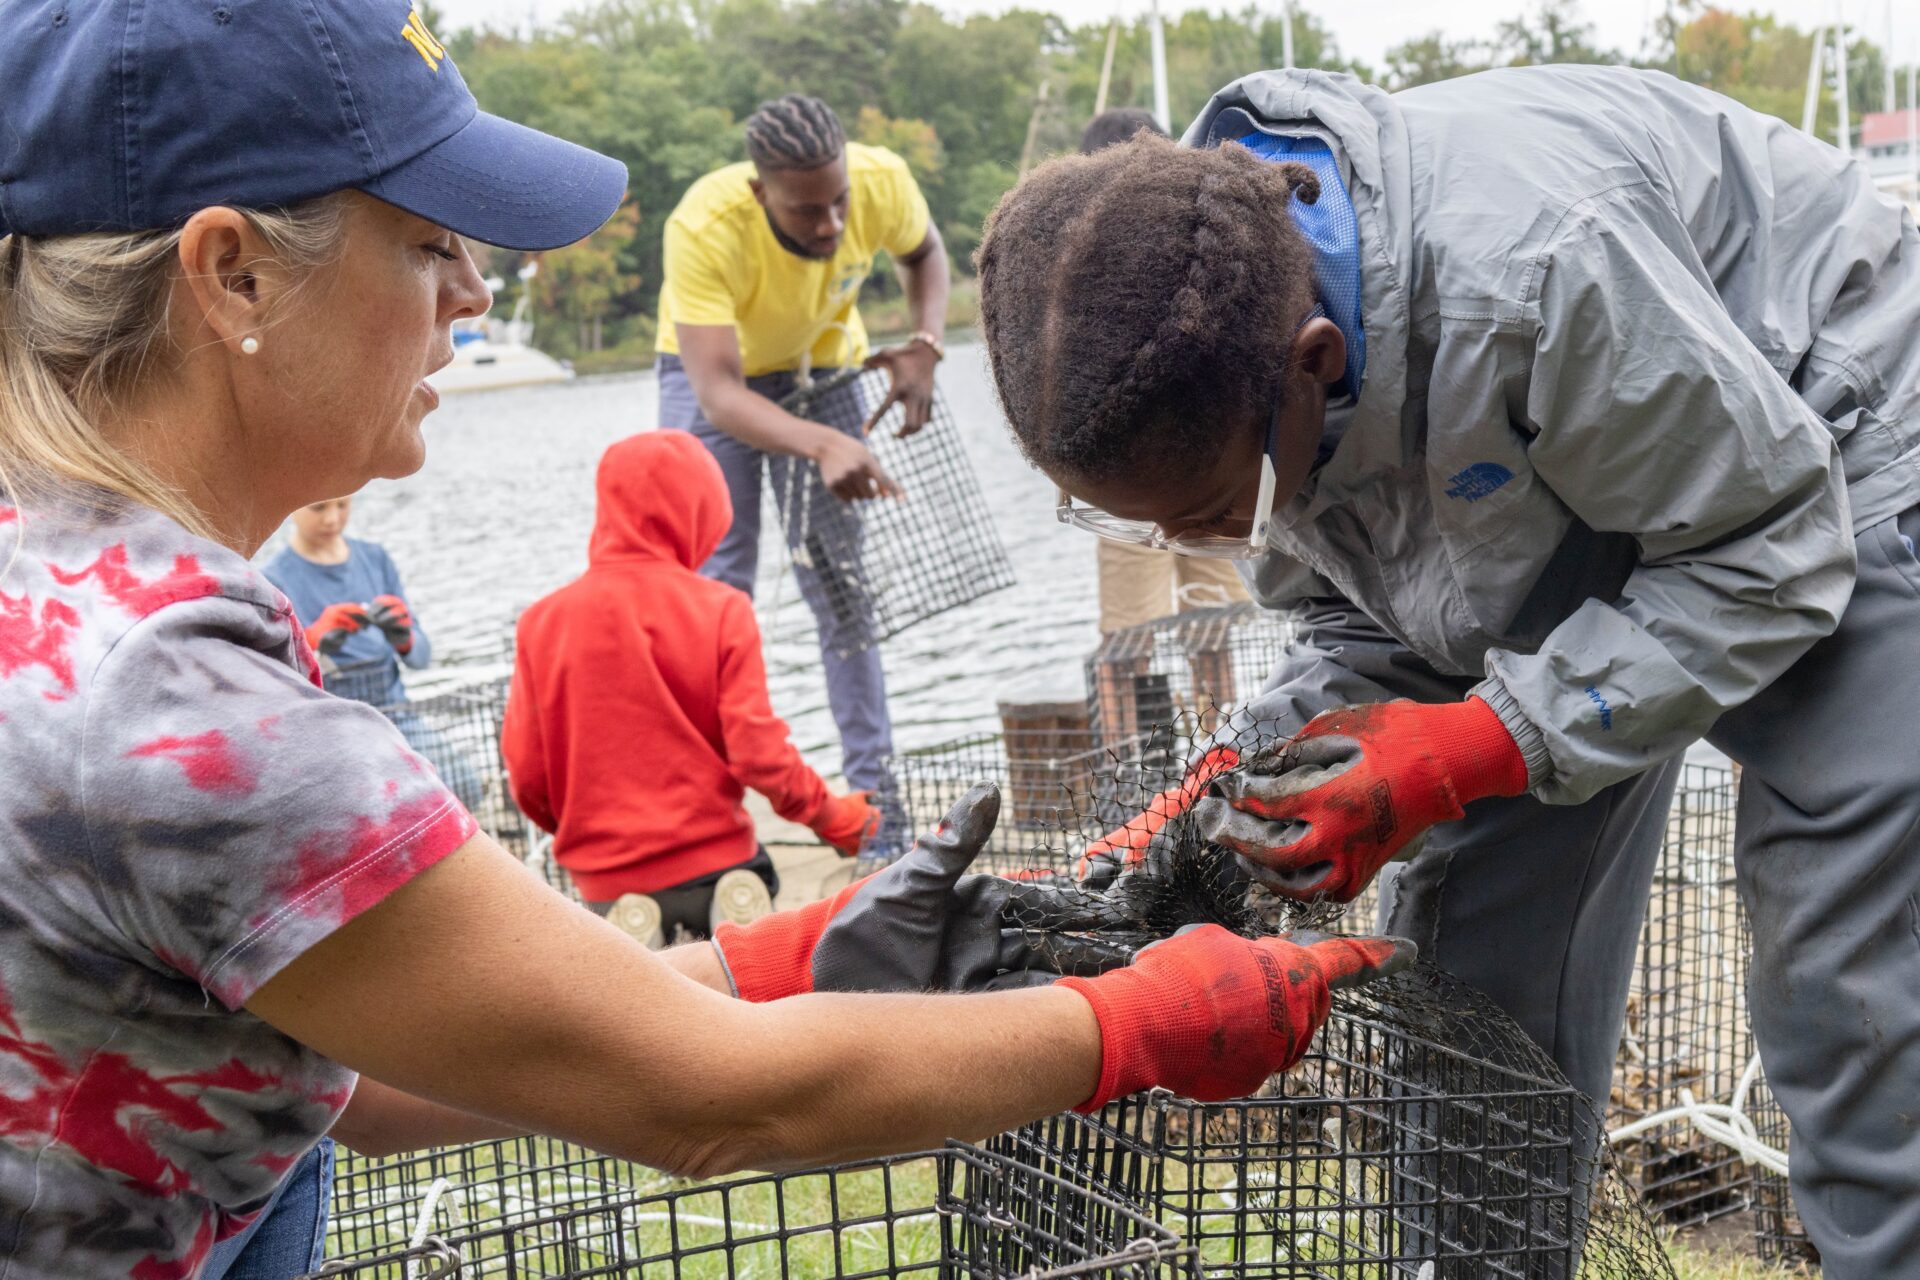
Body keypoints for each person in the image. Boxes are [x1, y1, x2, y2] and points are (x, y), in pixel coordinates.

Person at [0, 10, 1412, 1277]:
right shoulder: (184, 710)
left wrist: (814, 949)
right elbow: (719, 1100)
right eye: (432, 244)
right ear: (231, 276)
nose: (478, 296)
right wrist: (1146, 1023)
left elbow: (374, 1078)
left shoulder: (68, 595)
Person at [976, 65, 1920, 1278]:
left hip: (1832, 446)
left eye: (1221, 508)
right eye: (1147, 529)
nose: (1206, 546)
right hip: (1589, 437)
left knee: (1846, 988)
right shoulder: (1201, 329)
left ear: (1313, 362)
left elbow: (1774, 551)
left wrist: (1479, 743)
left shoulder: (1528, 272)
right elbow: (1377, 615)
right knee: (1472, 960)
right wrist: (1240, 778)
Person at [656, 93, 950, 805]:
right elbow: (720, 395)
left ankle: (878, 807)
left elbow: (926, 253)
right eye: (806, 211)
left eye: (840, 201)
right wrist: (824, 445)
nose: (833, 224)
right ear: (761, 193)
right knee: (717, 591)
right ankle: (706, 804)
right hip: (713, 375)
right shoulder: (704, 223)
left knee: (843, 590)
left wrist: (926, 344)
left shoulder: (881, 180)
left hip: (821, 370)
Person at [503, 430, 882, 945]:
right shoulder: (721, 608)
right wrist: (835, 816)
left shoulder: (541, 623)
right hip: (716, 855)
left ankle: (632, 924)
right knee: (752, 910)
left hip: (606, 876)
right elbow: (759, 756)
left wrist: (588, 837)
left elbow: (526, 775)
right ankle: (734, 915)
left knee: (636, 986)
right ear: (701, 516)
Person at [1078, 109, 1253, 638]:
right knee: (1133, 631)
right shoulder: (1081, 262)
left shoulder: (1200, 239)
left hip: (1201, 468)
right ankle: (1150, 722)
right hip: (1133, 477)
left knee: (1213, 620)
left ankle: (1216, 721)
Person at [264, 494, 484, 812]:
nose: (332, 519)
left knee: (467, 787)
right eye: (318, 507)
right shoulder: (275, 578)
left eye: (343, 505)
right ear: (293, 507)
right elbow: (276, 681)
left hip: (396, 715)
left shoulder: (375, 559)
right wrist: (311, 640)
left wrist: (404, 636)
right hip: (332, 724)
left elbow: (420, 659)